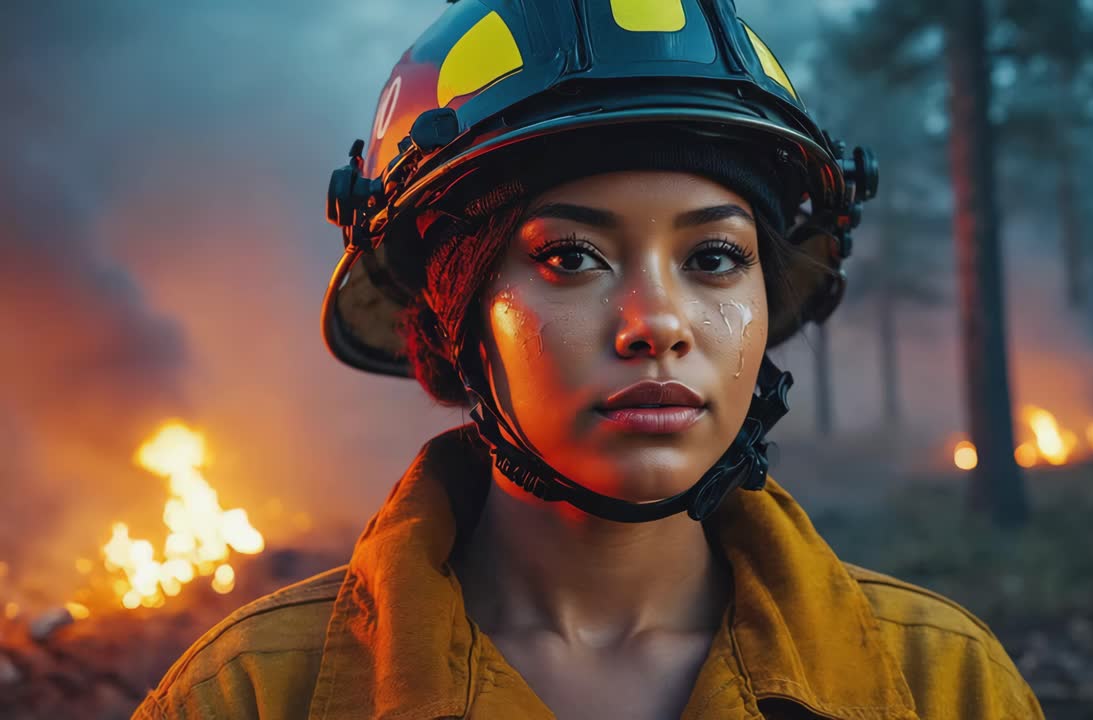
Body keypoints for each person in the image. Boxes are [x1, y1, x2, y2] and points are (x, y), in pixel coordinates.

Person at [134, 1, 1044, 718]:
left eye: (715, 257)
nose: (656, 324)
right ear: (459, 320)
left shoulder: (939, 685)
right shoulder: (251, 697)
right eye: (570, 257)